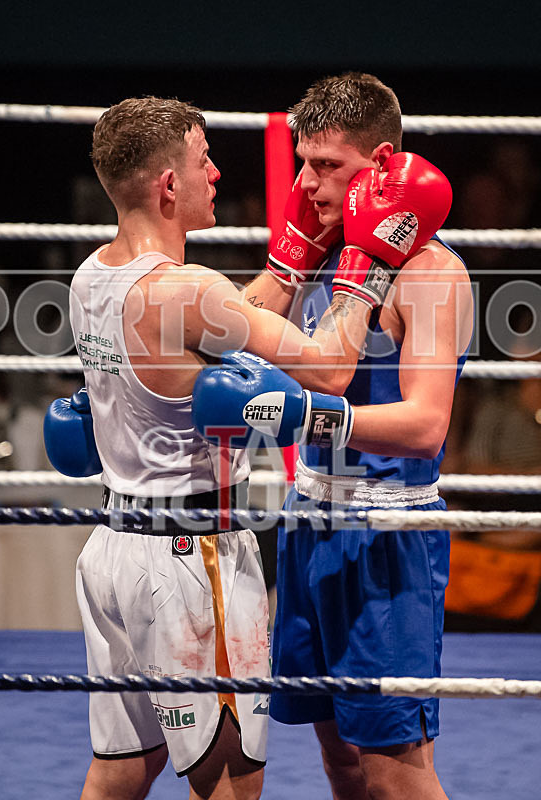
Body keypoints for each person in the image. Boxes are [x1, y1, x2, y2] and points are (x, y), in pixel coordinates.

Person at [43, 95, 424, 800]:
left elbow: (215, 329)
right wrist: (367, 260)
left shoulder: (91, 275)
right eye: (202, 160)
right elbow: (329, 369)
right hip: (194, 562)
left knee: (123, 769)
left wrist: (288, 264)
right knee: (228, 786)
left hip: (113, 554)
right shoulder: (191, 289)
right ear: (168, 187)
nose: (215, 174)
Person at [193, 72, 473, 800]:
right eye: (303, 163)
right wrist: (286, 264)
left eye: (328, 167)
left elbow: (426, 424)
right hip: (309, 522)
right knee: (339, 758)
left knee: (396, 772)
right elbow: (226, 336)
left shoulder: (431, 275)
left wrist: (315, 418)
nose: (309, 184)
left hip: (388, 535)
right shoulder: (319, 251)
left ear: (382, 165)